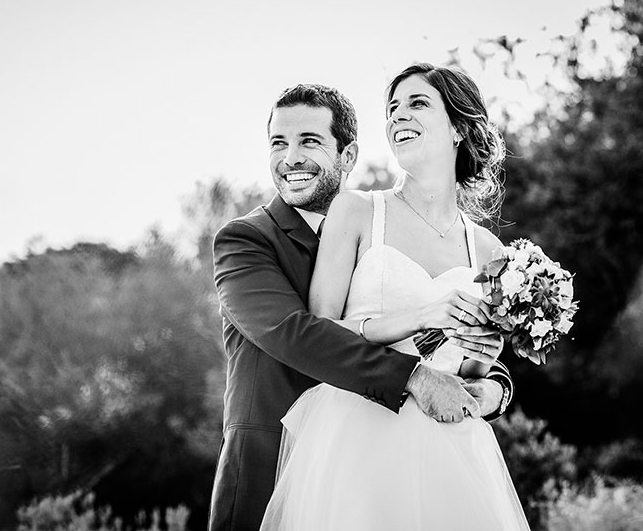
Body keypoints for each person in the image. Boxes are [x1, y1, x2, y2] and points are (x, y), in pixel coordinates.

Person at [208, 81, 514, 531]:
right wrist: (414, 377)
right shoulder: (247, 240)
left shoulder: (381, 225)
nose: (290, 157)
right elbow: (299, 333)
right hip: (275, 467)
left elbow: (458, 341)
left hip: (424, 458)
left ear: (348, 156)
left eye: (309, 141)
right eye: (278, 142)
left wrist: (495, 387)